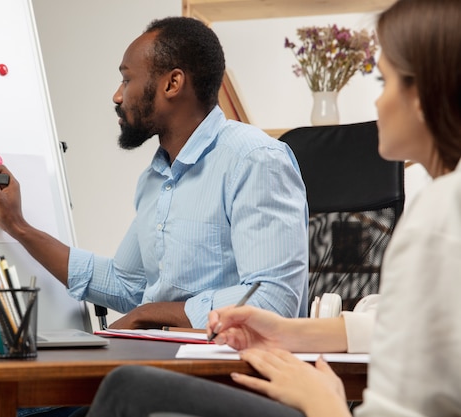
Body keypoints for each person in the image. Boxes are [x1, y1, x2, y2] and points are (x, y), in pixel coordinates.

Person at [79, 0, 461, 416]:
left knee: (127, 389)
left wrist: (323, 404)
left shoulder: (439, 219)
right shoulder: (439, 206)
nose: (376, 104)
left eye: (383, 82)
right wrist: (287, 331)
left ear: (424, 94)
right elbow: (404, 329)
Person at [0, 16, 309, 417]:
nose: (117, 95)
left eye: (127, 79)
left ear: (172, 84)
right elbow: (125, 282)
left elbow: (273, 299)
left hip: (228, 376)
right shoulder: (156, 178)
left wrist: (151, 313)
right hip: (159, 363)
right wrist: (17, 226)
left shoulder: (254, 160)